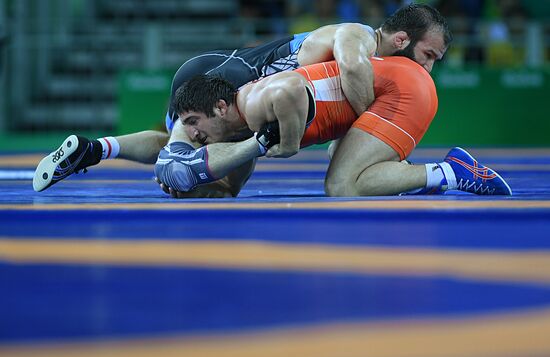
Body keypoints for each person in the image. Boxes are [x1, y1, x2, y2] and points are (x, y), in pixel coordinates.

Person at [33, 3, 451, 193]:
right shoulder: (359, 35)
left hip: (223, 74)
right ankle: (171, 169)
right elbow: (353, 68)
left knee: (190, 152)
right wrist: (367, 125)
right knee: (185, 165)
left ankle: (96, 148)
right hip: (231, 84)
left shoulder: (375, 57)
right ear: (401, 38)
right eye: (428, 56)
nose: (427, 67)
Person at [155, 55, 512, 198]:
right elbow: (231, 183)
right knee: (342, 163)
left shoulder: (251, 102)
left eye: (192, 122)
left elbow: (291, 87)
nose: (193, 134)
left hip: (401, 90)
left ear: (220, 107)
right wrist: (202, 187)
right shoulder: (241, 125)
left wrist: (290, 142)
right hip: (394, 85)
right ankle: (422, 179)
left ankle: (450, 171)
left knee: (341, 185)